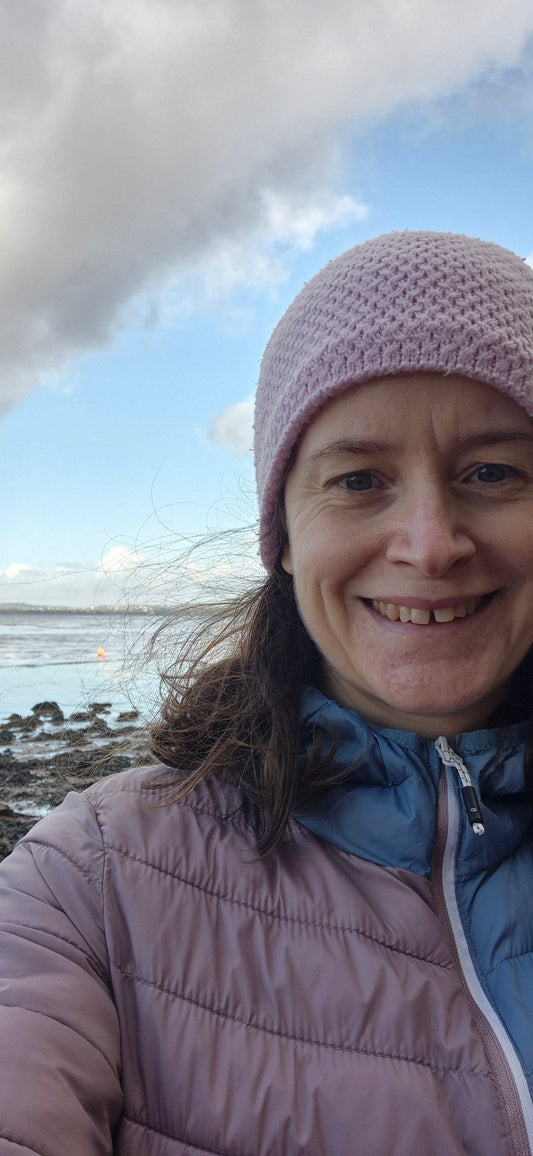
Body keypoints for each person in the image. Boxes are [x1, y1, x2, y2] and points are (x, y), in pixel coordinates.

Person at [2, 231, 533, 1156]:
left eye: (493, 471)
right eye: (358, 480)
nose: (430, 542)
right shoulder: (86, 887)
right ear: (281, 533)